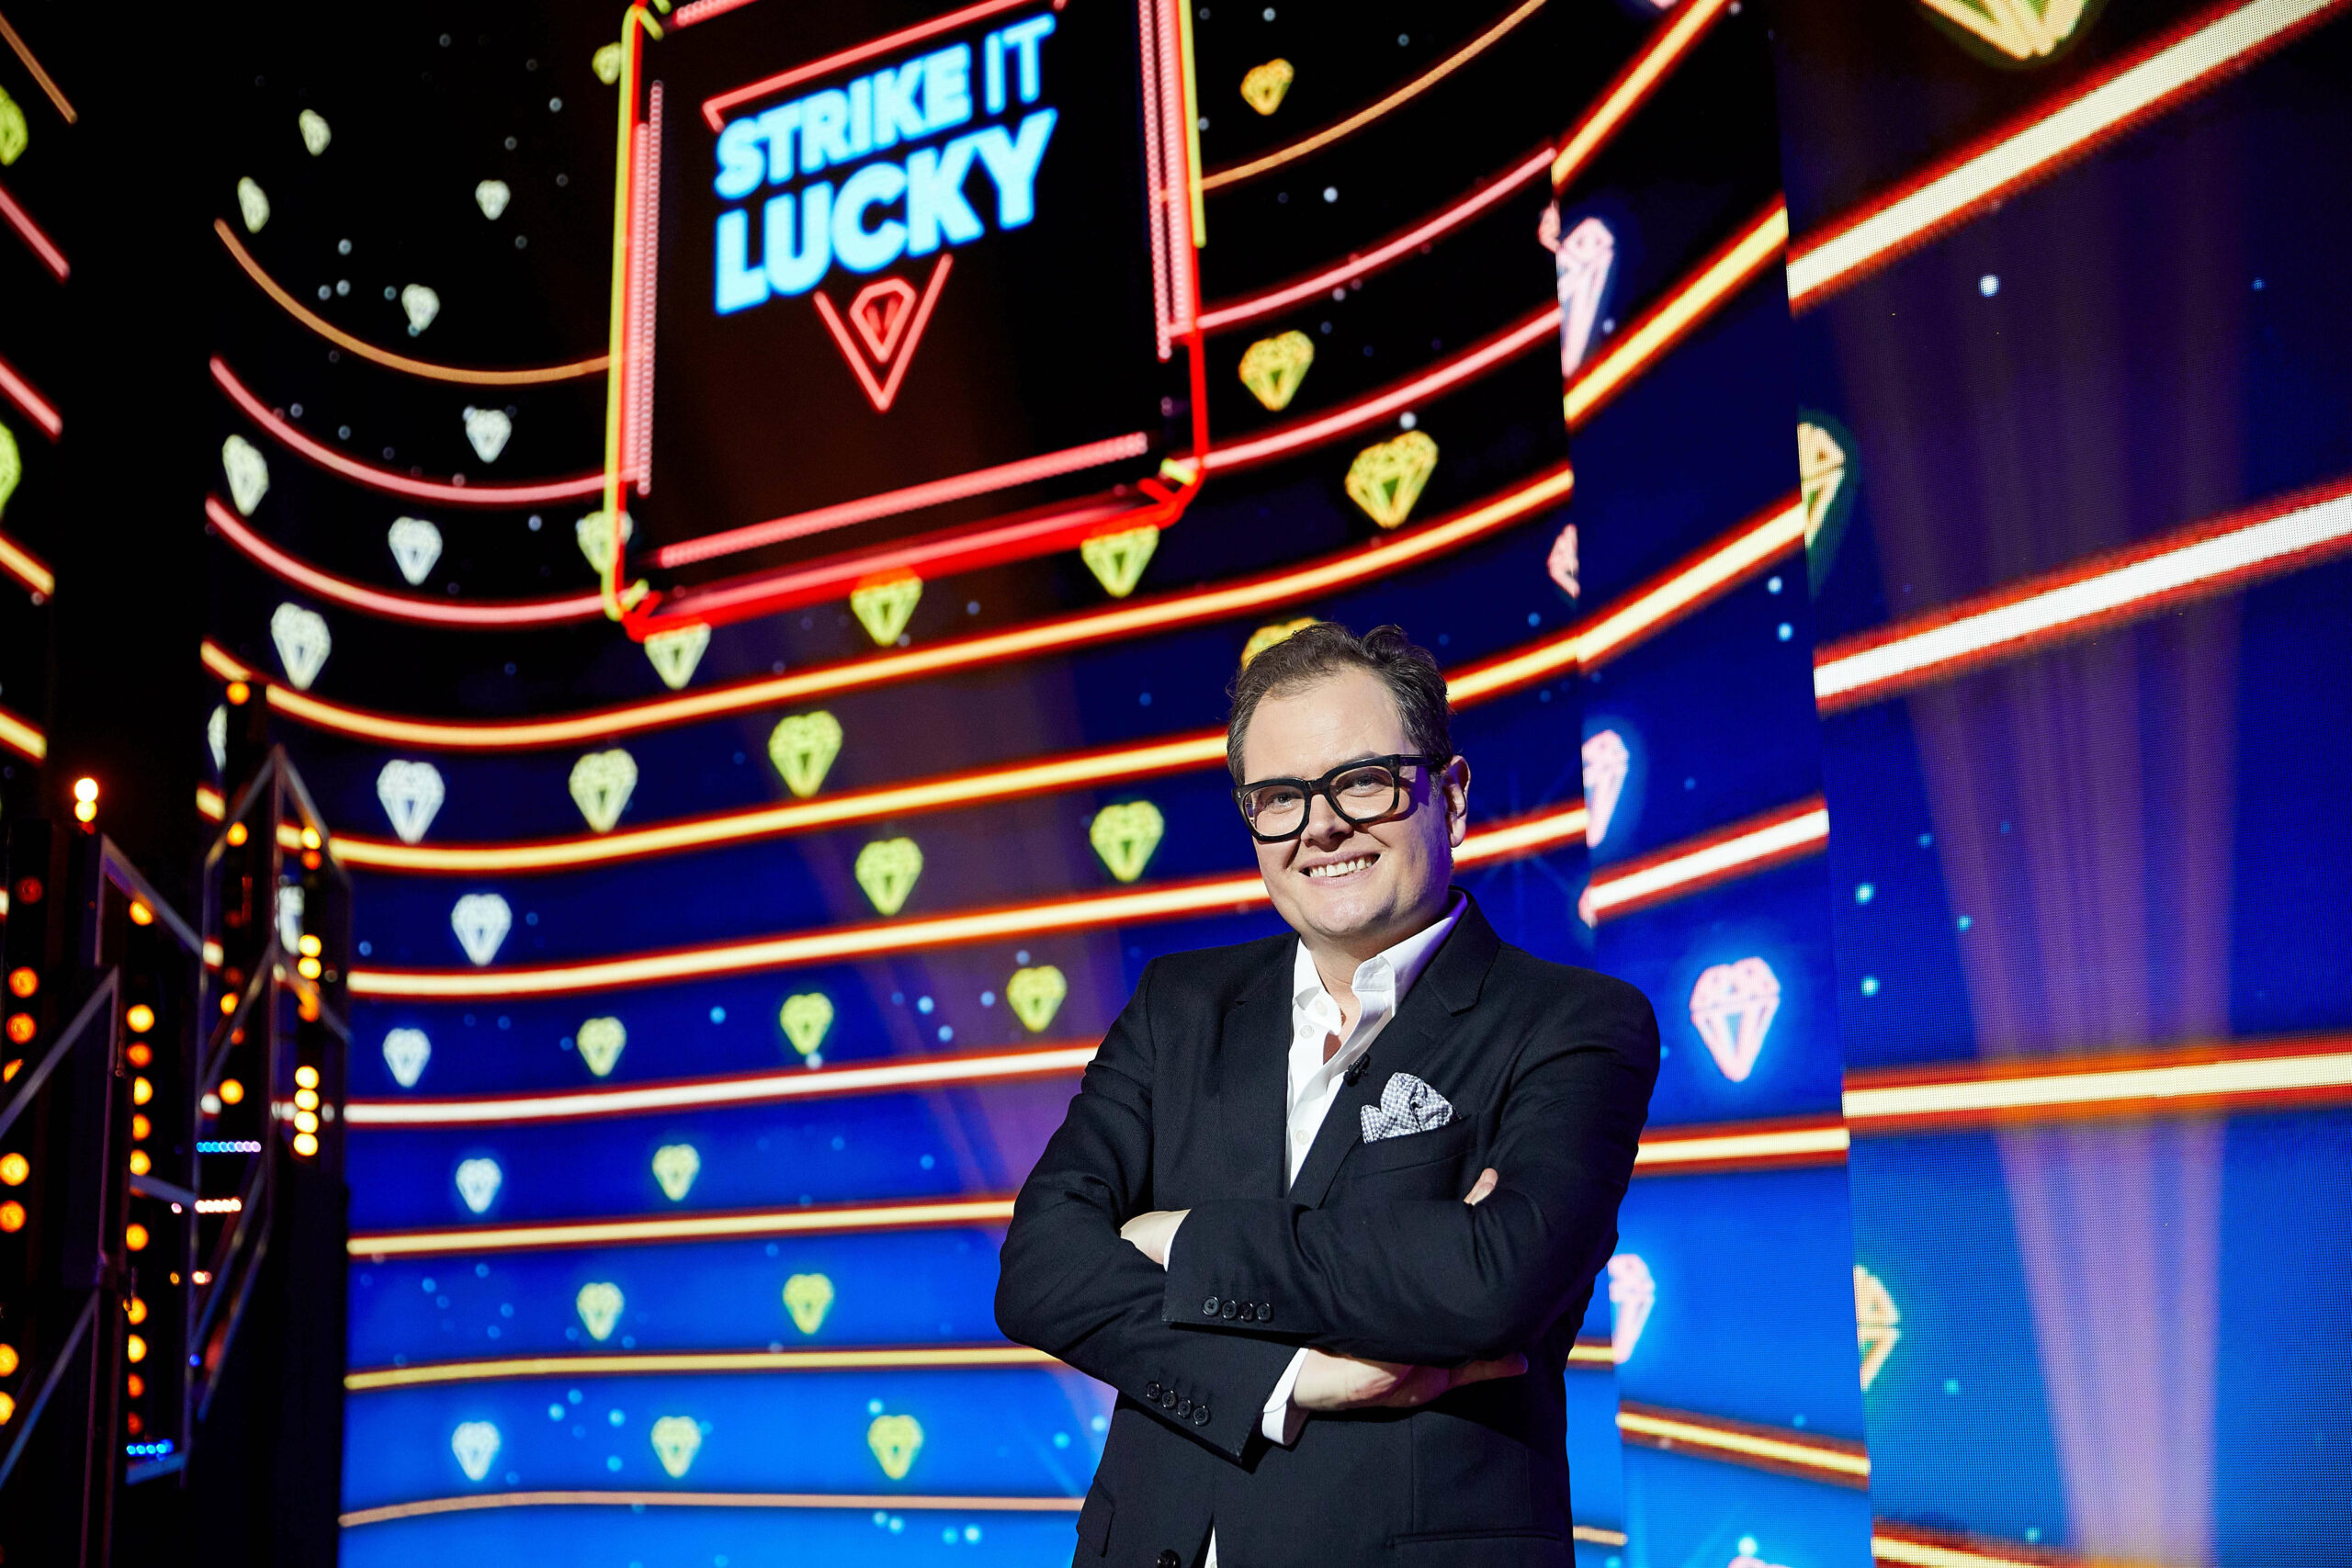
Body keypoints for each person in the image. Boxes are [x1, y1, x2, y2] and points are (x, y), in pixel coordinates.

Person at [996, 622, 1660, 1567]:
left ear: (1453, 795)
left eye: (1362, 781)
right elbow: (1040, 1272)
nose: (1321, 825)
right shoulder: (1178, 1006)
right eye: (1278, 798)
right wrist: (1289, 1375)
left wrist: (1176, 1238)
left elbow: (1490, 1281)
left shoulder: (1570, 1023)